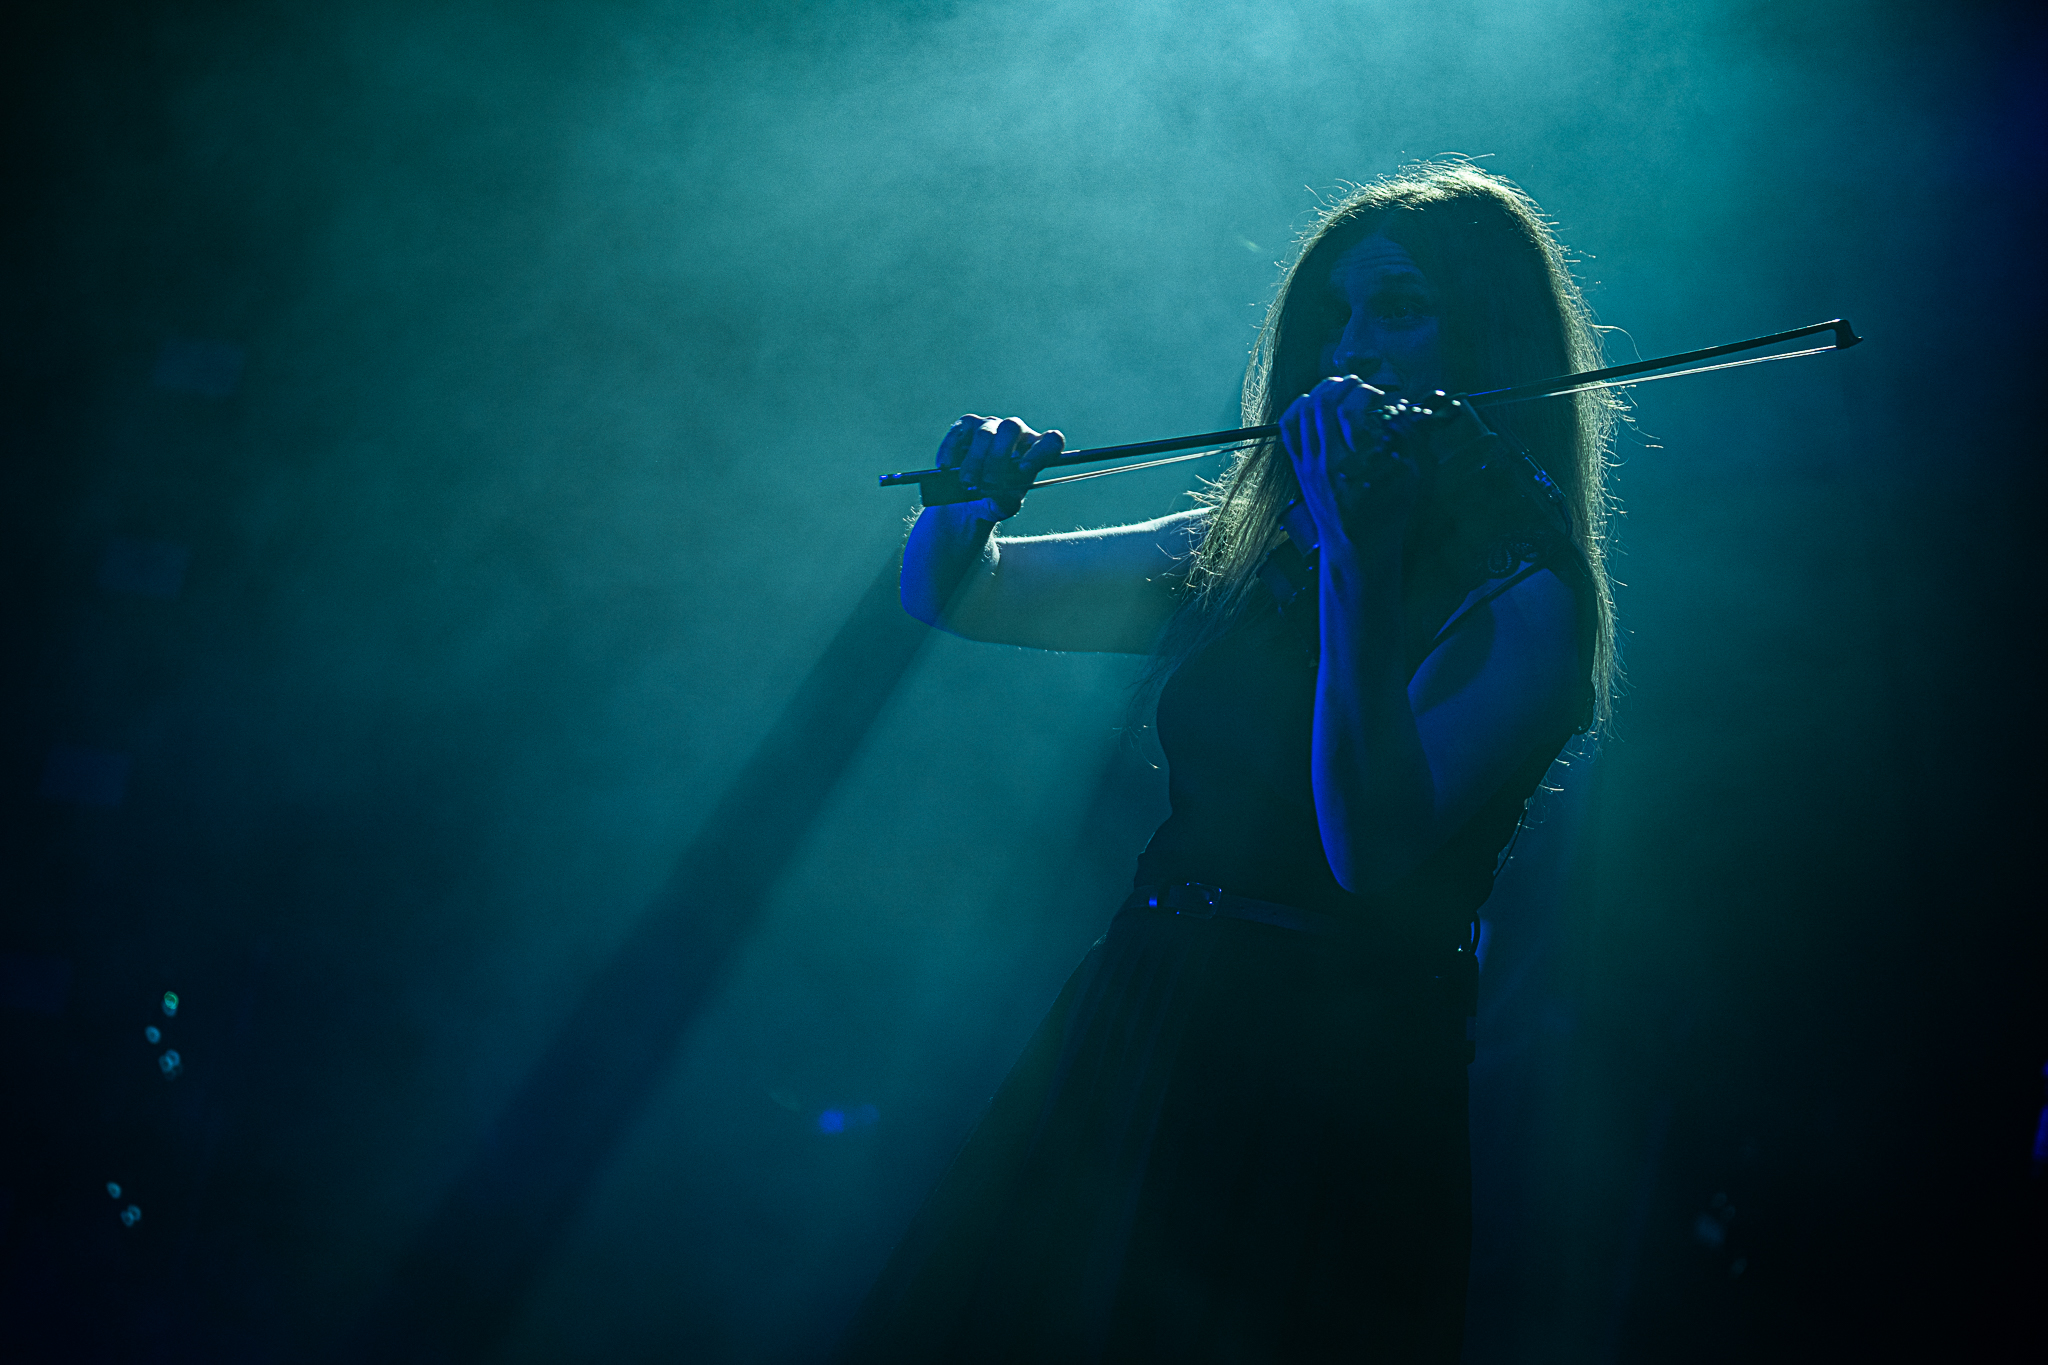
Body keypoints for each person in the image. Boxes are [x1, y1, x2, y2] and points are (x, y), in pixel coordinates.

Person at [842, 163, 1617, 1364]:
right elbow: (962, 595)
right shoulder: (1256, 541)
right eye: (1329, 317)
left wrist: (1361, 557)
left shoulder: (1527, 598)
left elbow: (1365, 849)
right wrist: (966, 502)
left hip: (1325, 1070)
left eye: (1397, 310)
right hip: (1147, 1000)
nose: (1346, 350)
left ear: (1488, 335)